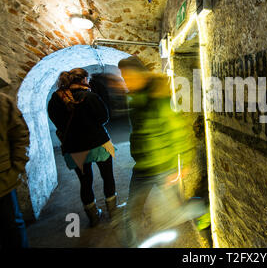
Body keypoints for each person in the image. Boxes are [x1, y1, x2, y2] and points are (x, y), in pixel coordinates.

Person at [118, 56, 203, 247]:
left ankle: (201, 206)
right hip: (141, 167)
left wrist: (185, 162)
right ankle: (131, 245)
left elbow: (178, 130)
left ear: (139, 73)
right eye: (123, 77)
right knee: (131, 213)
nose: (126, 81)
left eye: (127, 76)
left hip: (163, 166)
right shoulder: (135, 97)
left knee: (173, 214)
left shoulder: (159, 96)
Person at [47, 68, 119, 227]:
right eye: (87, 80)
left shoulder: (55, 100)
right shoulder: (90, 96)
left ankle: (93, 217)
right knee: (107, 177)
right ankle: (113, 213)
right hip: (98, 144)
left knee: (85, 182)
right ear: (83, 80)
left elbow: (56, 122)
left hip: (74, 148)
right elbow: (104, 118)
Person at [0, 91, 30, 248]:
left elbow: (20, 135)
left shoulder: (2, 101)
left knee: (11, 228)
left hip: (2, 181)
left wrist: (15, 168)